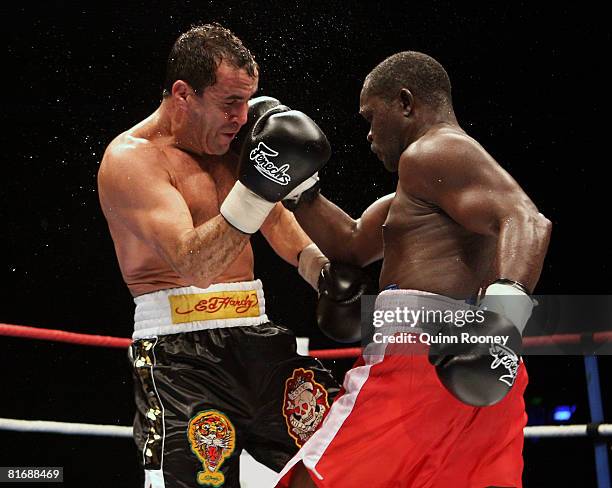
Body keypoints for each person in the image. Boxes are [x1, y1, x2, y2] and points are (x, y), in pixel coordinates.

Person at [275, 51, 552, 488]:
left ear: (405, 103)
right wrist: (299, 186)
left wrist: (502, 322)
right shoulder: (426, 188)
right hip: (482, 373)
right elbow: (349, 243)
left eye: (371, 116)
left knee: (312, 481)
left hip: (421, 360)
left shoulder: (432, 150)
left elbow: (528, 220)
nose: (368, 133)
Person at [97, 23, 355, 488]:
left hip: (258, 339)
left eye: (247, 100)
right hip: (180, 358)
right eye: (228, 103)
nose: (242, 116)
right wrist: (259, 187)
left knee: (350, 456)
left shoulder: (233, 144)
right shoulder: (133, 160)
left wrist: (321, 270)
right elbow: (194, 264)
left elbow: (275, 222)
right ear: (183, 93)